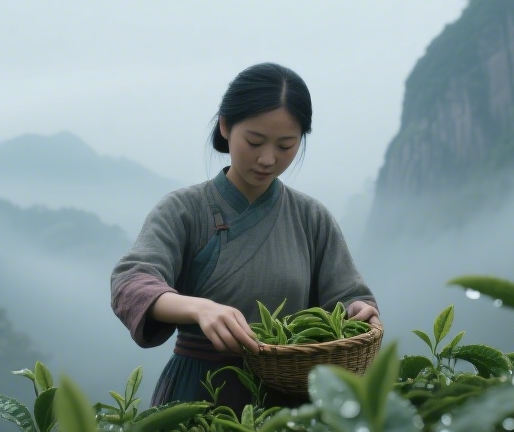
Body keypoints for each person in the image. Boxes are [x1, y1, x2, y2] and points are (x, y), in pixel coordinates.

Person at [110, 62, 381, 411]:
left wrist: (361, 312)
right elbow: (131, 283)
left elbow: (350, 299)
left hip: (289, 401)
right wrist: (199, 309)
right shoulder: (184, 209)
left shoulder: (311, 218)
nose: (267, 159)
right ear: (225, 126)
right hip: (199, 395)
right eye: (254, 141)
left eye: (286, 145)